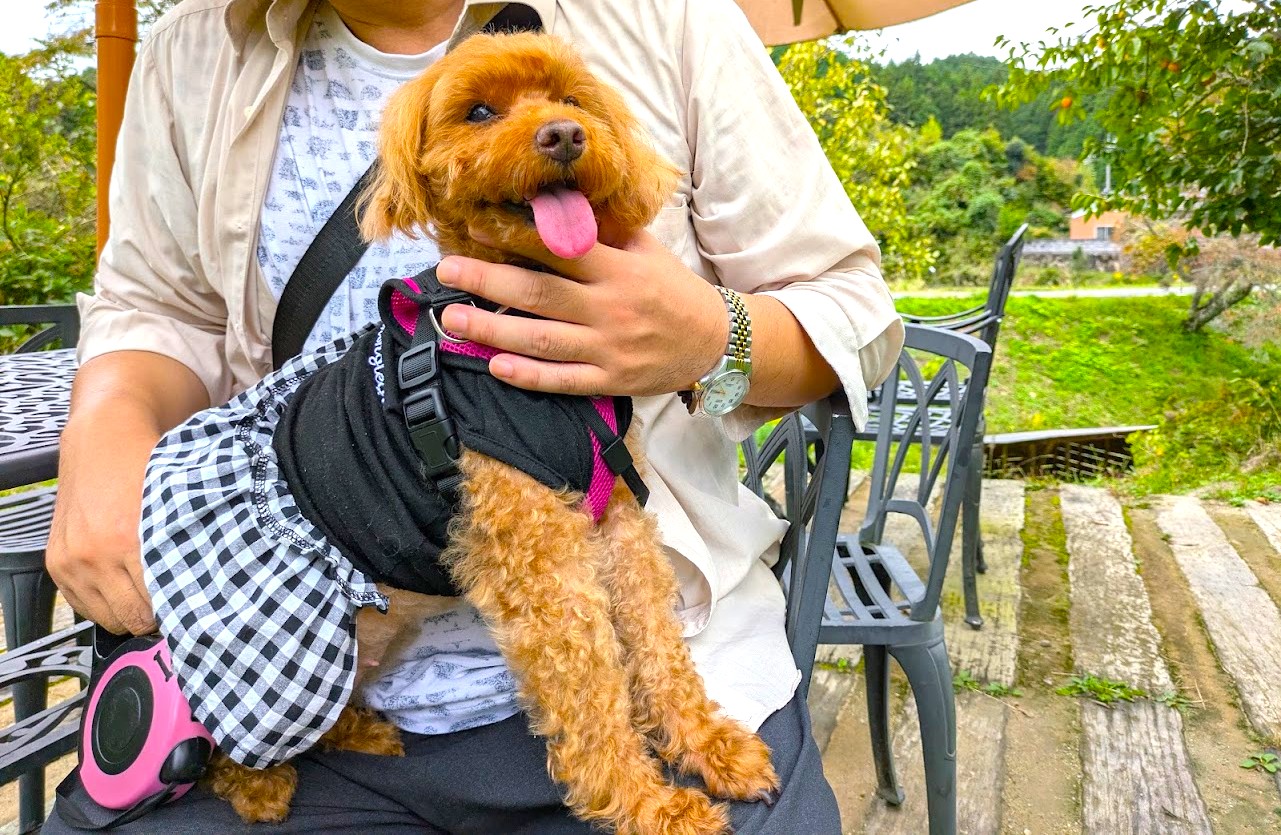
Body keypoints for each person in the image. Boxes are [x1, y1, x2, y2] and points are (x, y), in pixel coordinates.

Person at [43, 0, 904, 831]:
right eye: (483, 112)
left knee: (614, 538)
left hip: (698, 638)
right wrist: (105, 426)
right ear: (417, 163)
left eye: (570, 105)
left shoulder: (666, 14)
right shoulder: (191, 50)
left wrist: (711, 336)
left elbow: (851, 311)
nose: (554, 129)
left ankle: (667, 732)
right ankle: (267, 750)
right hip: (309, 662)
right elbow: (154, 307)